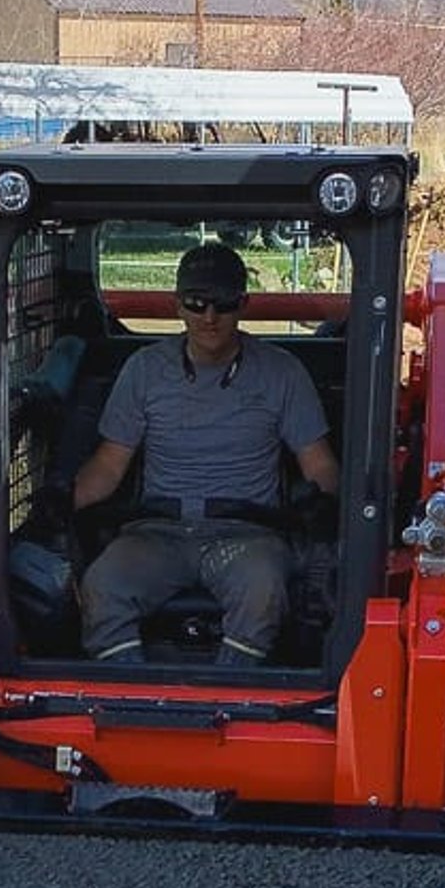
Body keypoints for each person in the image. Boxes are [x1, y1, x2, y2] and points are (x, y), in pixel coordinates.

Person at [72, 242, 338, 665]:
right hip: (158, 532)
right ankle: (131, 696)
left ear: (244, 304)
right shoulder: (144, 370)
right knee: (103, 584)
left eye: (224, 304)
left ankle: (232, 694)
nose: (209, 317)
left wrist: (336, 514)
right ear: (177, 305)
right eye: (197, 304)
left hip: (248, 535)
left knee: (262, 588)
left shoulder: (282, 373)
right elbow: (109, 463)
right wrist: (57, 508)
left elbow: (318, 462)